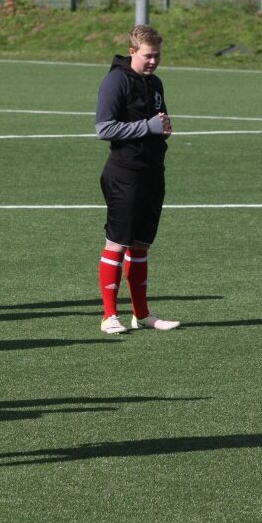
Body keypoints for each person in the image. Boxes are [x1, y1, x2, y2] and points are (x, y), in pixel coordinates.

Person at [94, 25, 180, 335]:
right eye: (147, 56)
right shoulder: (115, 81)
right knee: (117, 243)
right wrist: (147, 127)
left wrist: (162, 128)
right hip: (124, 173)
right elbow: (104, 128)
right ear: (132, 52)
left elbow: (158, 121)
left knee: (141, 245)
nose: (153, 61)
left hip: (152, 173)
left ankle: (142, 314)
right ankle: (108, 315)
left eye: (157, 56)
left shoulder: (155, 83)